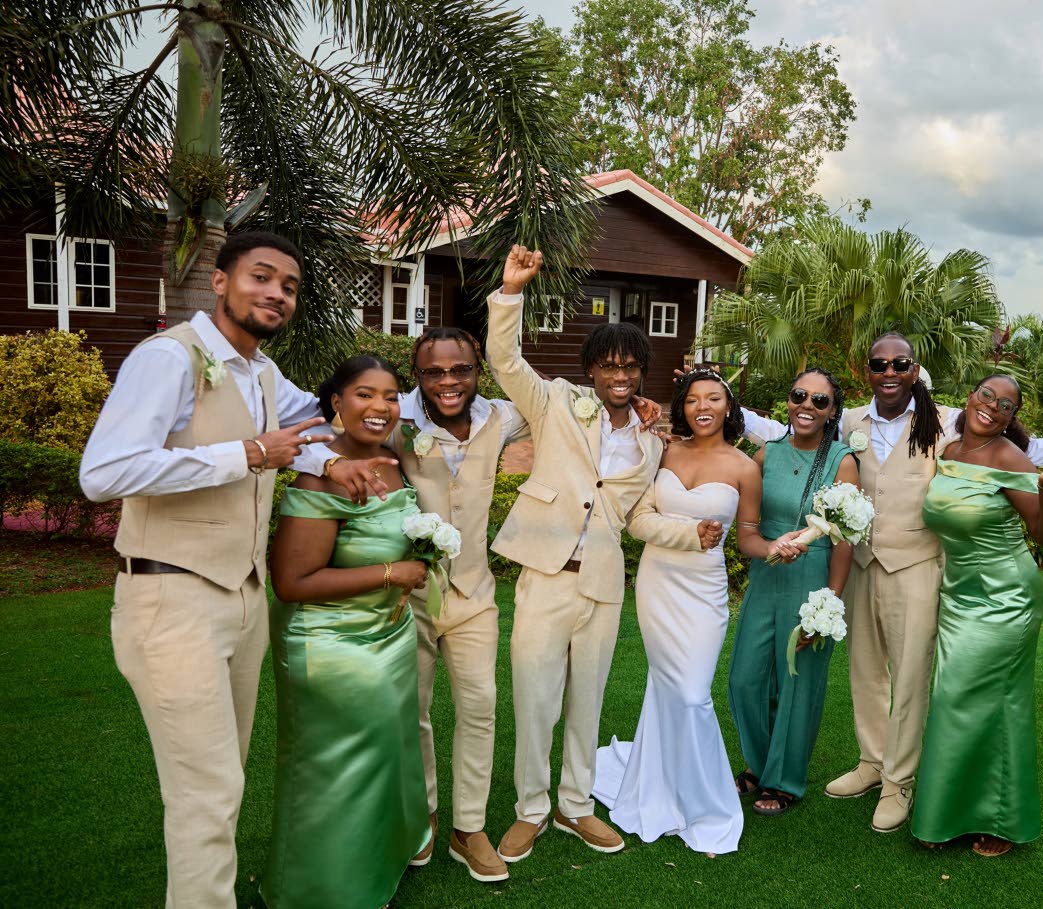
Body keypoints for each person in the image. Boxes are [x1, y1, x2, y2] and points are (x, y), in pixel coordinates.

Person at [739, 333, 1043, 832]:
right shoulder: (848, 419)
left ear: (913, 369)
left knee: (908, 679)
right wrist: (725, 402)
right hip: (859, 563)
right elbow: (785, 425)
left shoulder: (946, 419)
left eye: (899, 364)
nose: (888, 372)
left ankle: (898, 784)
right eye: (879, 363)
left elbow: (1020, 448)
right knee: (865, 675)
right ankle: (871, 762)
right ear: (867, 370)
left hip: (918, 565)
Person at [298, 326, 660, 882]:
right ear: (417, 377)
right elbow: (328, 428)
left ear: (475, 374)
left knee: (481, 709)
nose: (449, 381)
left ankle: (471, 828)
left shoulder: (499, 417)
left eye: (460, 370)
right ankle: (424, 818)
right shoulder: (396, 421)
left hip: (476, 593)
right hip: (408, 595)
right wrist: (325, 462)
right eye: (434, 372)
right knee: (411, 715)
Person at [78, 231, 352, 909]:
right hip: (169, 595)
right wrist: (246, 453)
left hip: (242, 599)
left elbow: (320, 422)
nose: (277, 294)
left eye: (289, 286)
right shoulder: (169, 357)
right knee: (208, 789)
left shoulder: (259, 372)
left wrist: (356, 443)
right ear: (222, 281)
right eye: (262, 277)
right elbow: (103, 472)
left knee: (222, 778)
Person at [485, 245, 700, 864]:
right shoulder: (554, 401)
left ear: (641, 371)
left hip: (603, 585)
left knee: (588, 701)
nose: (620, 376)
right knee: (535, 698)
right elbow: (504, 360)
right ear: (591, 370)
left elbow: (635, 518)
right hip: (544, 576)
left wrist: (691, 536)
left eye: (631, 366)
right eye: (608, 366)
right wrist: (511, 292)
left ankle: (575, 805)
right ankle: (531, 808)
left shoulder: (651, 440)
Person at [261, 356, 430, 908]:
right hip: (332, 643)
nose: (380, 407)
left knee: (386, 753)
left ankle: (377, 860)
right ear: (334, 402)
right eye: (364, 394)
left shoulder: (394, 459)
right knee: (335, 766)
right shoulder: (317, 472)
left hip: (390, 634)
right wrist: (392, 573)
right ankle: (316, 889)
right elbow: (292, 581)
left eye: (390, 396)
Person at [910, 375, 1043, 856]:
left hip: (1005, 596)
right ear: (970, 397)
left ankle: (999, 818)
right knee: (958, 699)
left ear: (1011, 418)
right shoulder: (947, 453)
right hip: (960, 594)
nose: (992, 407)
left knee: (976, 700)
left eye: (1005, 405)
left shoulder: (1010, 458)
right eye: (987, 395)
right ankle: (947, 813)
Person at [592, 369, 755, 855]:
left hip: (704, 591)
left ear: (728, 407)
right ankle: (665, 789)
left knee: (691, 694)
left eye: (714, 398)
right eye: (692, 399)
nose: (702, 407)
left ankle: (707, 808)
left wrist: (780, 547)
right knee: (669, 688)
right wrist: (687, 534)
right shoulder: (662, 450)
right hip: (658, 583)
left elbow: (746, 536)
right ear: (681, 406)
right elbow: (638, 520)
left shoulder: (746, 467)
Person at [727, 368, 861, 816]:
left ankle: (783, 780)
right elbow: (747, 523)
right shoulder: (766, 455)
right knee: (745, 678)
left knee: (798, 681)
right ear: (789, 400)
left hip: (813, 576)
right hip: (767, 573)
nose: (807, 406)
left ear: (832, 411)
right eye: (799, 395)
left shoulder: (842, 460)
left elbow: (844, 539)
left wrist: (830, 600)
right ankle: (762, 762)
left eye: (819, 401)